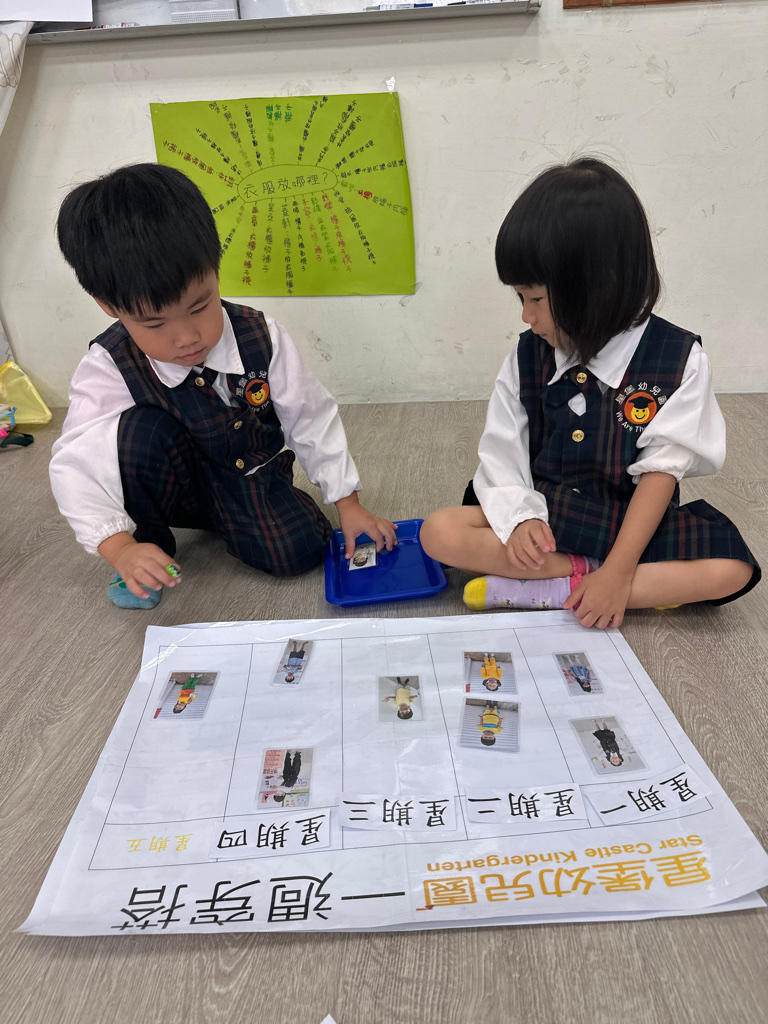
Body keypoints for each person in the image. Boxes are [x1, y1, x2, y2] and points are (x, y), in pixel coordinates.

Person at [420, 158, 760, 628]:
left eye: (535, 299)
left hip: (632, 522)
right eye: (520, 298)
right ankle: (597, 581)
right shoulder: (527, 357)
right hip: (549, 510)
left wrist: (619, 570)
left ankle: (564, 587)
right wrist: (521, 520)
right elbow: (503, 451)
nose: (526, 317)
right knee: (439, 532)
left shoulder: (679, 360)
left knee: (731, 569)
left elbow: (660, 474)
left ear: (597, 288)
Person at [50, 164, 397, 609]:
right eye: (154, 323)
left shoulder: (261, 335)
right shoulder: (108, 364)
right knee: (133, 435)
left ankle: (238, 517)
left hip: (245, 474)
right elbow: (75, 463)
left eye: (200, 306)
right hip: (172, 484)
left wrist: (348, 503)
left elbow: (310, 416)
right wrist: (119, 548)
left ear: (215, 270)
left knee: (299, 551)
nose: (186, 338)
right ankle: (145, 554)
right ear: (108, 306)